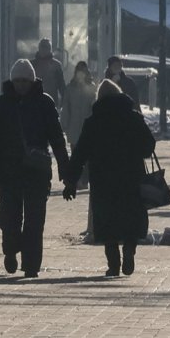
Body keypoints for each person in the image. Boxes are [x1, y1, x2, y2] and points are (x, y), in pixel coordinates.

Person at [64, 80, 156, 278]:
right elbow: (148, 146)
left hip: (103, 179)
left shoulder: (93, 121)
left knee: (108, 220)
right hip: (131, 176)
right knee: (131, 216)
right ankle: (130, 249)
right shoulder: (134, 118)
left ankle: (113, 264)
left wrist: (71, 182)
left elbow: (80, 154)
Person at [0, 59, 70, 278]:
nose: (21, 85)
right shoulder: (3, 103)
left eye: (25, 80)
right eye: (17, 80)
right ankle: (11, 250)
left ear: (32, 81)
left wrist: (64, 166)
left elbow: (56, 137)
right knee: (9, 218)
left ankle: (31, 265)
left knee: (35, 220)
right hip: (9, 170)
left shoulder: (44, 103)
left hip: (36, 170)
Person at [63, 61, 96, 153]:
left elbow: (95, 107)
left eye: (83, 71)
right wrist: (64, 124)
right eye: (79, 71)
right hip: (73, 126)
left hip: (88, 126)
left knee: (87, 153)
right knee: (75, 153)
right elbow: (66, 108)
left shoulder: (92, 87)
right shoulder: (70, 88)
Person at [32, 39, 66, 120]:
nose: (44, 50)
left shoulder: (56, 65)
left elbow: (61, 85)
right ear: (39, 48)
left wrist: (64, 101)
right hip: (34, 102)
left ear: (49, 49)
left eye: (46, 47)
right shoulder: (32, 65)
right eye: (42, 47)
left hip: (51, 101)